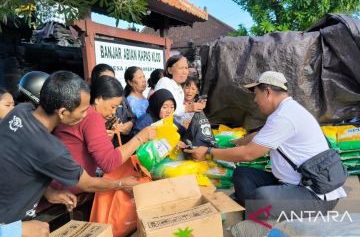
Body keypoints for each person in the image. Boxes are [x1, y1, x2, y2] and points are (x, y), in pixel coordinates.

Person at [185, 71, 346, 218]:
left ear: (268, 92)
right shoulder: (286, 110)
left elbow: (249, 154)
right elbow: (259, 135)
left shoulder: (284, 117)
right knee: (242, 174)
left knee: (262, 197)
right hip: (291, 183)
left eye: (256, 94)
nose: (255, 100)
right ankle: (256, 210)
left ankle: (256, 211)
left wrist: (208, 152)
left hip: (315, 194)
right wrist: (238, 142)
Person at [0, 71, 141, 224]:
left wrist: (48, 192)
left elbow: (21, 162)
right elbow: (87, 183)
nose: (86, 115)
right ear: (63, 112)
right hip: (9, 222)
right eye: (82, 111)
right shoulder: (51, 150)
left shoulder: (21, 111)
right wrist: (120, 184)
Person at [53, 76, 156, 189]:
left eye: (116, 108)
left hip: (61, 181)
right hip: (69, 190)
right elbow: (108, 163)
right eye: (112, 106)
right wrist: (140, 138)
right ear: (98, 99)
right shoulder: (92, 116)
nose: (113, 112)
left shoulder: (83, 112)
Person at [90, 64, 135, 144]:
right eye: (105, 80)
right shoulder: (88, 114)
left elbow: (132, 118)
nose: (114, 112)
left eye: (112, 79)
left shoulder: (121, 98)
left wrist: (130, 124)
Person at [154, 55, 205, 124]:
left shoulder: (179, 87)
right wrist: (188, 108)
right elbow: (165, 110)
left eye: (186, 68)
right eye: (181, 68)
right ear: (170, 70)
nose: (185, 72)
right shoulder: (165, 81)